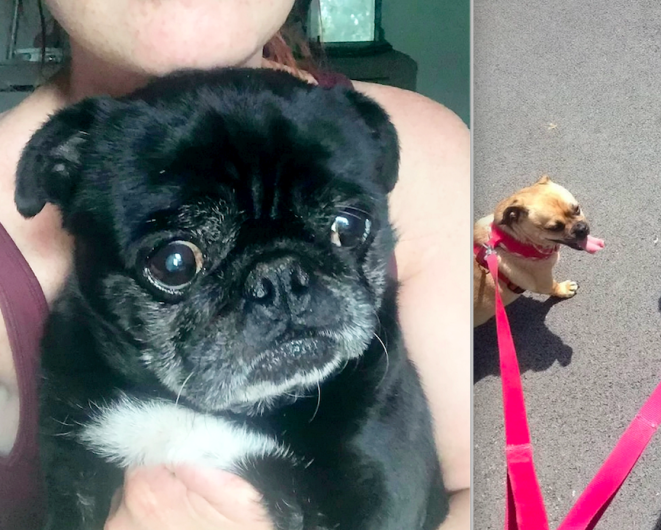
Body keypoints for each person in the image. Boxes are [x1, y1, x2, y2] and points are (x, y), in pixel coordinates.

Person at [0, 2, 470, 529]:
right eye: (177, 262)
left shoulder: (431, 154)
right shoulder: (70, 351)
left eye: (344, 231)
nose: (281, 291)